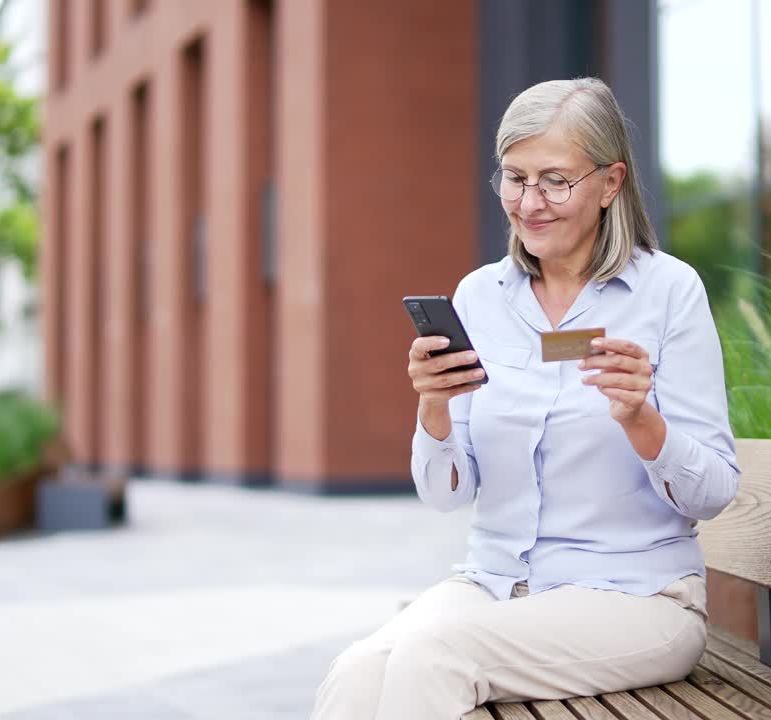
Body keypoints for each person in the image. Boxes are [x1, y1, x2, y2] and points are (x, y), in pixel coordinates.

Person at [311, 77, 740, 720]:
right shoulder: (480, 298)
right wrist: (433, 407)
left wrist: (640, 419)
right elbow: (446, 494)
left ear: (610, 182)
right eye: (514, 177)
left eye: (555, 180)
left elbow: (715, 491)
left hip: (636, 597)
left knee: (435, 655)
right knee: (355, 675)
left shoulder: (670, 292)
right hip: (494, 585)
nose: (529, 201)